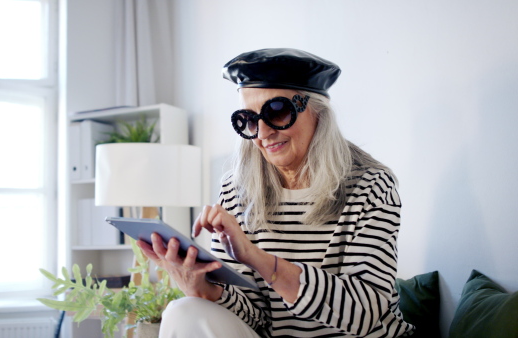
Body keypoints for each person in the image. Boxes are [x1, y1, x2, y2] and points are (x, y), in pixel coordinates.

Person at [137, 48, 414, 337]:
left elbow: (365, 313)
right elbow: (255, 317)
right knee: (183, 310)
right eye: (250, 119)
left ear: (318, 112)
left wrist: (257, 258)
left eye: (277, 112)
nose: (262, 133)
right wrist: (204, 289)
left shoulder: (370, 184)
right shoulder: (236, 190)